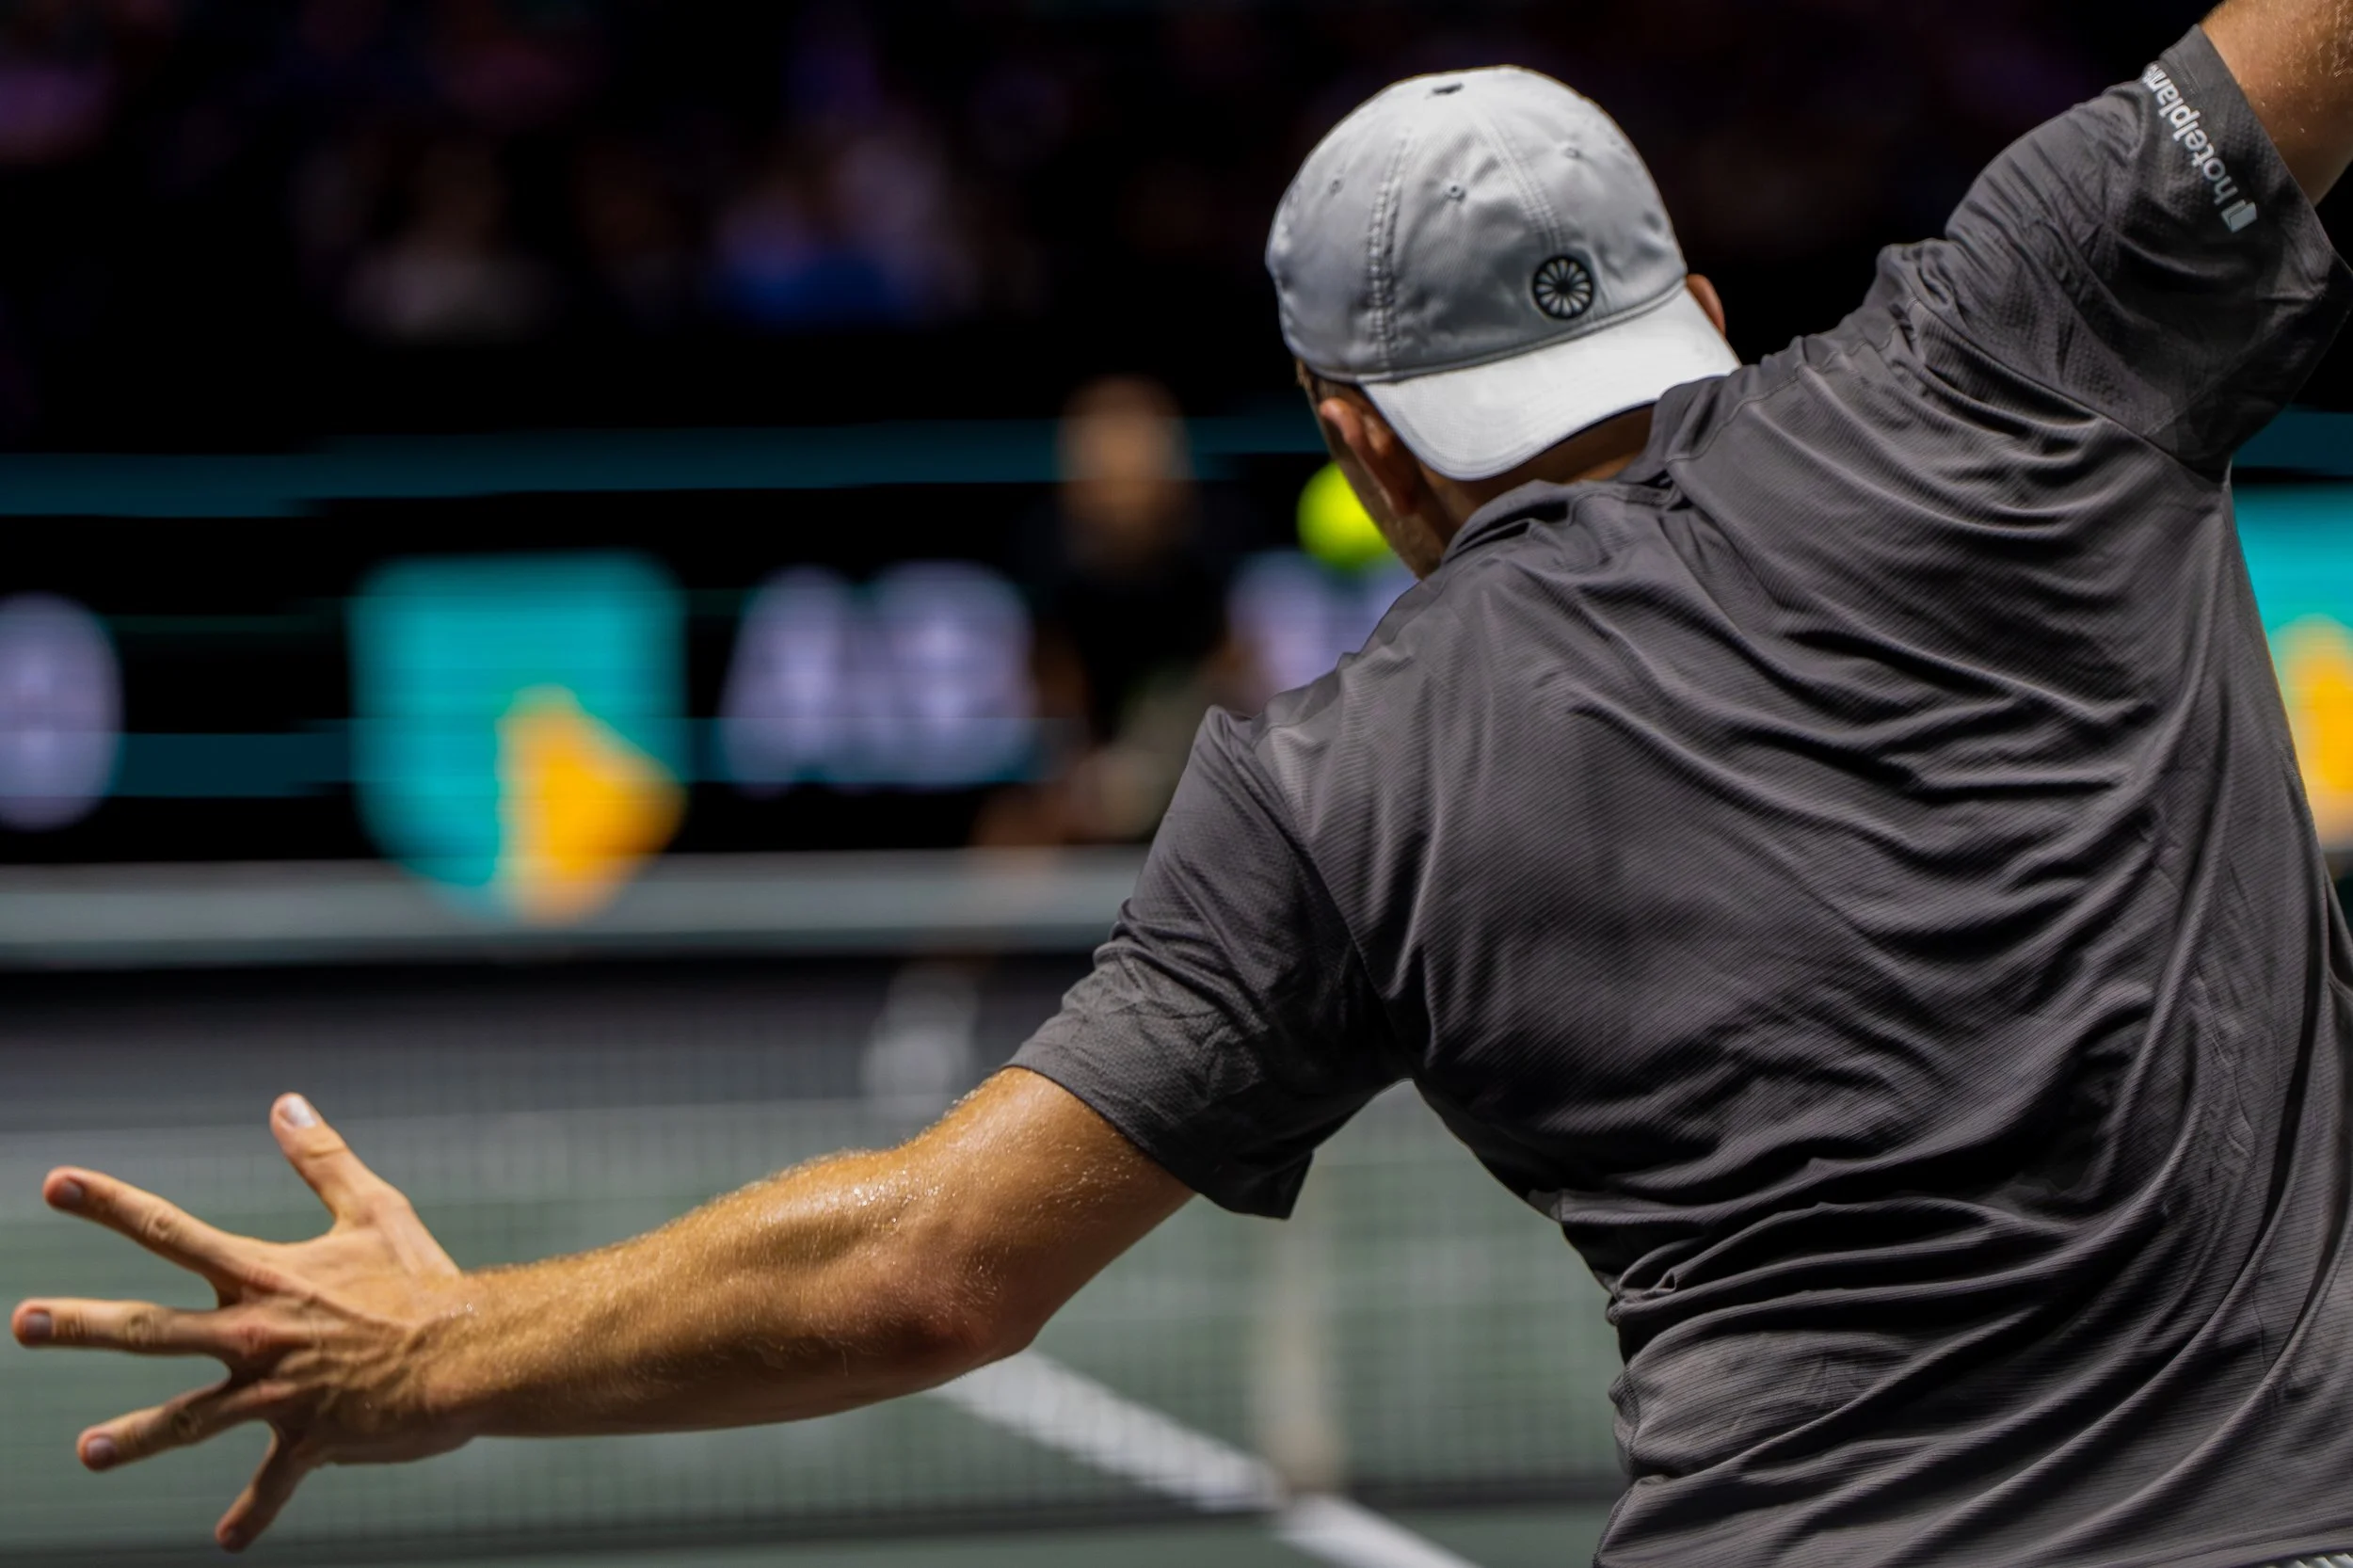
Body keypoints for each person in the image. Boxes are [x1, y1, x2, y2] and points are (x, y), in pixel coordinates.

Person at [16, 4, 2353, 1561]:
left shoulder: (1334, 789)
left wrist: (442, 1344)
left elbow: (926, 1270)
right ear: (1698, 300)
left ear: (1351, 437)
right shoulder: (2017, 339)